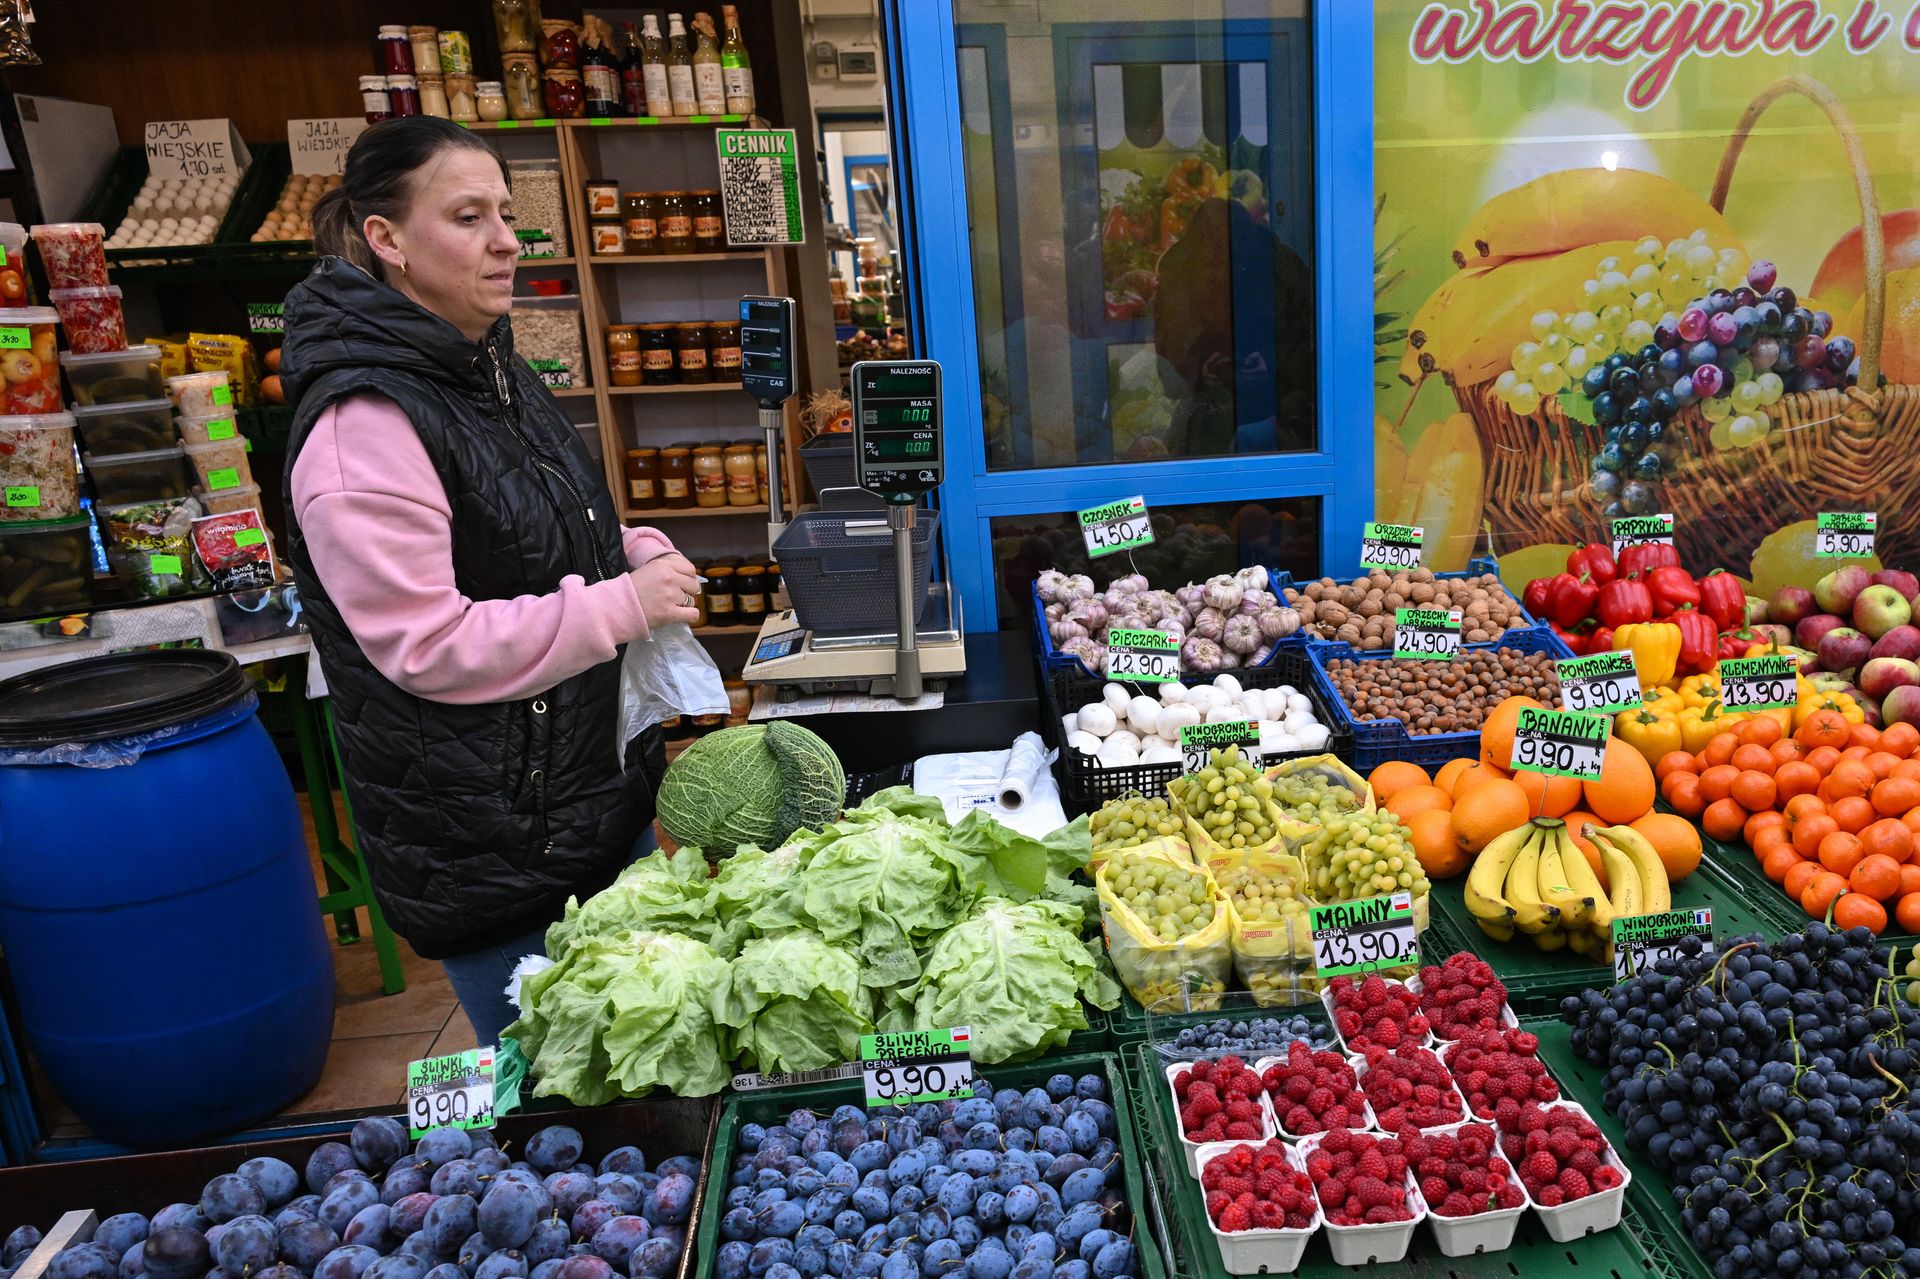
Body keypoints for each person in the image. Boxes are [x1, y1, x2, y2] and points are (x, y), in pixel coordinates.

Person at [280, 116, 703, 1044]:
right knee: (567, 1113)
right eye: (468, 217)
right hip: (495, 848)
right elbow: (423, 643)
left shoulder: (486, 363)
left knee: (649, 1070)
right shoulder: (364, 424)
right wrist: (617, 606)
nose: (506, 240)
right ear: (385, 239)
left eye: (507, 214)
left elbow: (529, 526)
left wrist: (628, 548)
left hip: (588, 802)